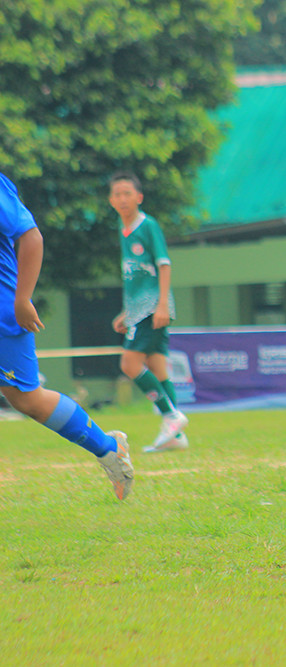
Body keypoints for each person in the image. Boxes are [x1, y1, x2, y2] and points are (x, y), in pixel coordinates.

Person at [0, 170, 134, 499]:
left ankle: (108, 447)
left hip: (3, 310)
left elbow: (31, 236)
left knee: (26, 399)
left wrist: (22, 299)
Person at [108, 171, 189, 453]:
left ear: (139, 197)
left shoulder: (148, 225)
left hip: (152, 308)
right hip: (138, 309)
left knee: (129, 364)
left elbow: (163, 265)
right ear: (111, 200)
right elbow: (135, 275)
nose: (122, 199)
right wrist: (125, 311)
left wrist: (163, 304)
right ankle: (176, 438)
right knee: (157, 367)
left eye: (127, 193)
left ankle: (171, 416)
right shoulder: (122, 227)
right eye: (116, 194)